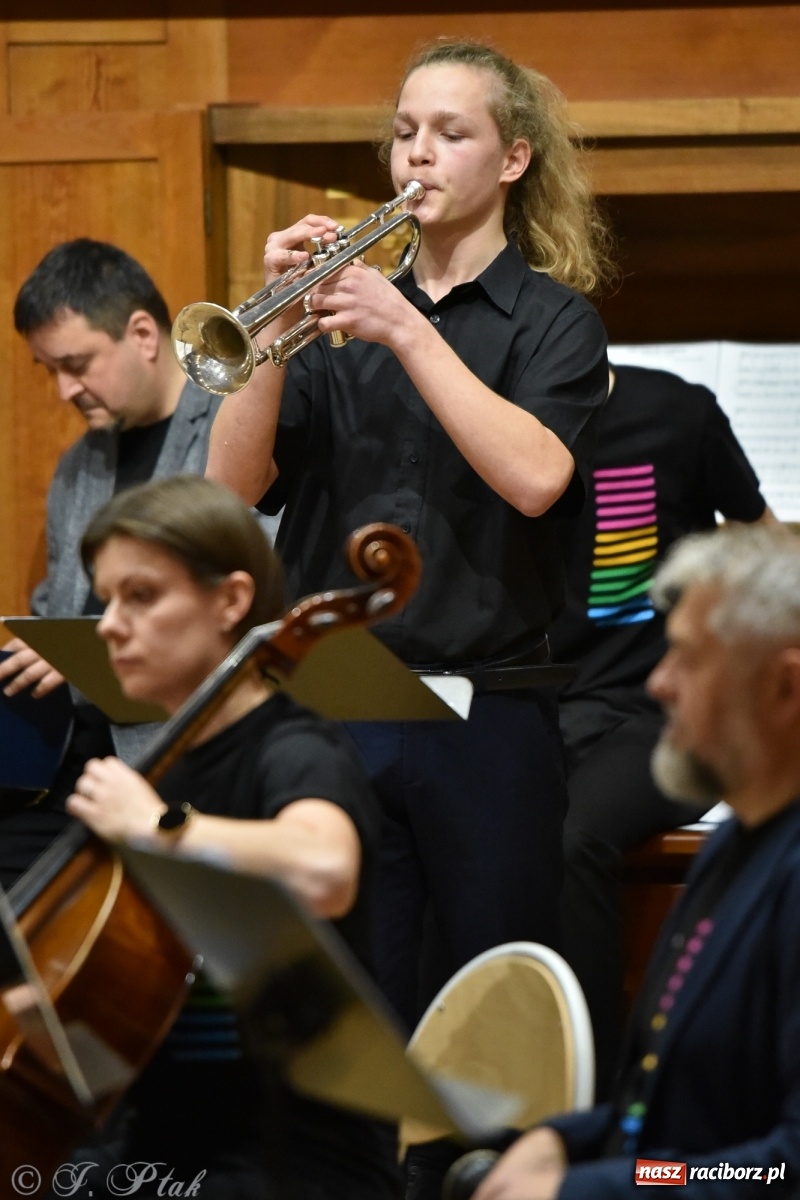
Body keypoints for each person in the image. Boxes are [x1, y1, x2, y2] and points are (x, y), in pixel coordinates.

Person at [206, 39, 612, 1041]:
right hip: (335, 705)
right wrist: (269, 335)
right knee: (342, 1017)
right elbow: (230, 486)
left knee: (492, 1009)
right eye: (401, 134)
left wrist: (406, 329)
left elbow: (534, 479)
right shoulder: (340, 318)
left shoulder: (553, 323)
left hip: (486, 720)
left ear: (511, 160)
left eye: (448, 133)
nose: (414, 157)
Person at [59, 474, 397, 1200]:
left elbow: (324, 870)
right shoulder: (164, 768)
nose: (109, 624)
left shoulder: (292, 749)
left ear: (232, 601)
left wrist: (153, 827)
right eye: (107, 597)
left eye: (141, 596)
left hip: (289, 1155)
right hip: (169, 1137)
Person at [468, 522, 800, 1200]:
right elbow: (670, 1113)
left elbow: (776, 1171)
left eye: (687, 658)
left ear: (784, 687)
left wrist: (587, 1189)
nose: (659, 683)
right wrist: (565, 1137)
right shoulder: (733, 846)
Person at [549, 363, 775, 1099]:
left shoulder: (673, 412)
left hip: (656, 713)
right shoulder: (495, 418)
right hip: (532, 709)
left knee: (575, 836)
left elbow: (766, 552)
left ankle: (598, 1098)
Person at [0, 239, 233, 890]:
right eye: (50, 369)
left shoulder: (233, 439)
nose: (63, 389)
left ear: (142, 334)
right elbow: (55, 613)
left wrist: (77, 656)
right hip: (70, 765)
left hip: (176, 763)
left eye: (75, 364)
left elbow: (231, 620)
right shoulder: (81, 465)